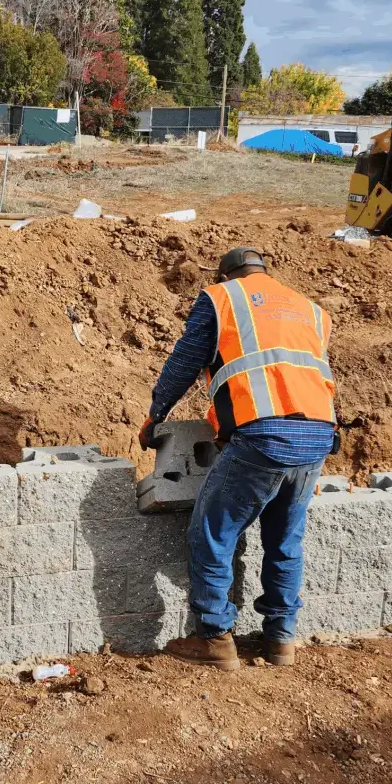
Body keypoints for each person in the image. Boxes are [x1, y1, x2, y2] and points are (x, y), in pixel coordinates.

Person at [139, 247, 337, 671]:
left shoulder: (222, 298)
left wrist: (156, 414)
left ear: (225, 276)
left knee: (212, 533)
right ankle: (281, 641)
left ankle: (214, 638)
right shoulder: (309, 309)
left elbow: (185, 362)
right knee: (285, 540)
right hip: (318, 434)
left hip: (264, 436)